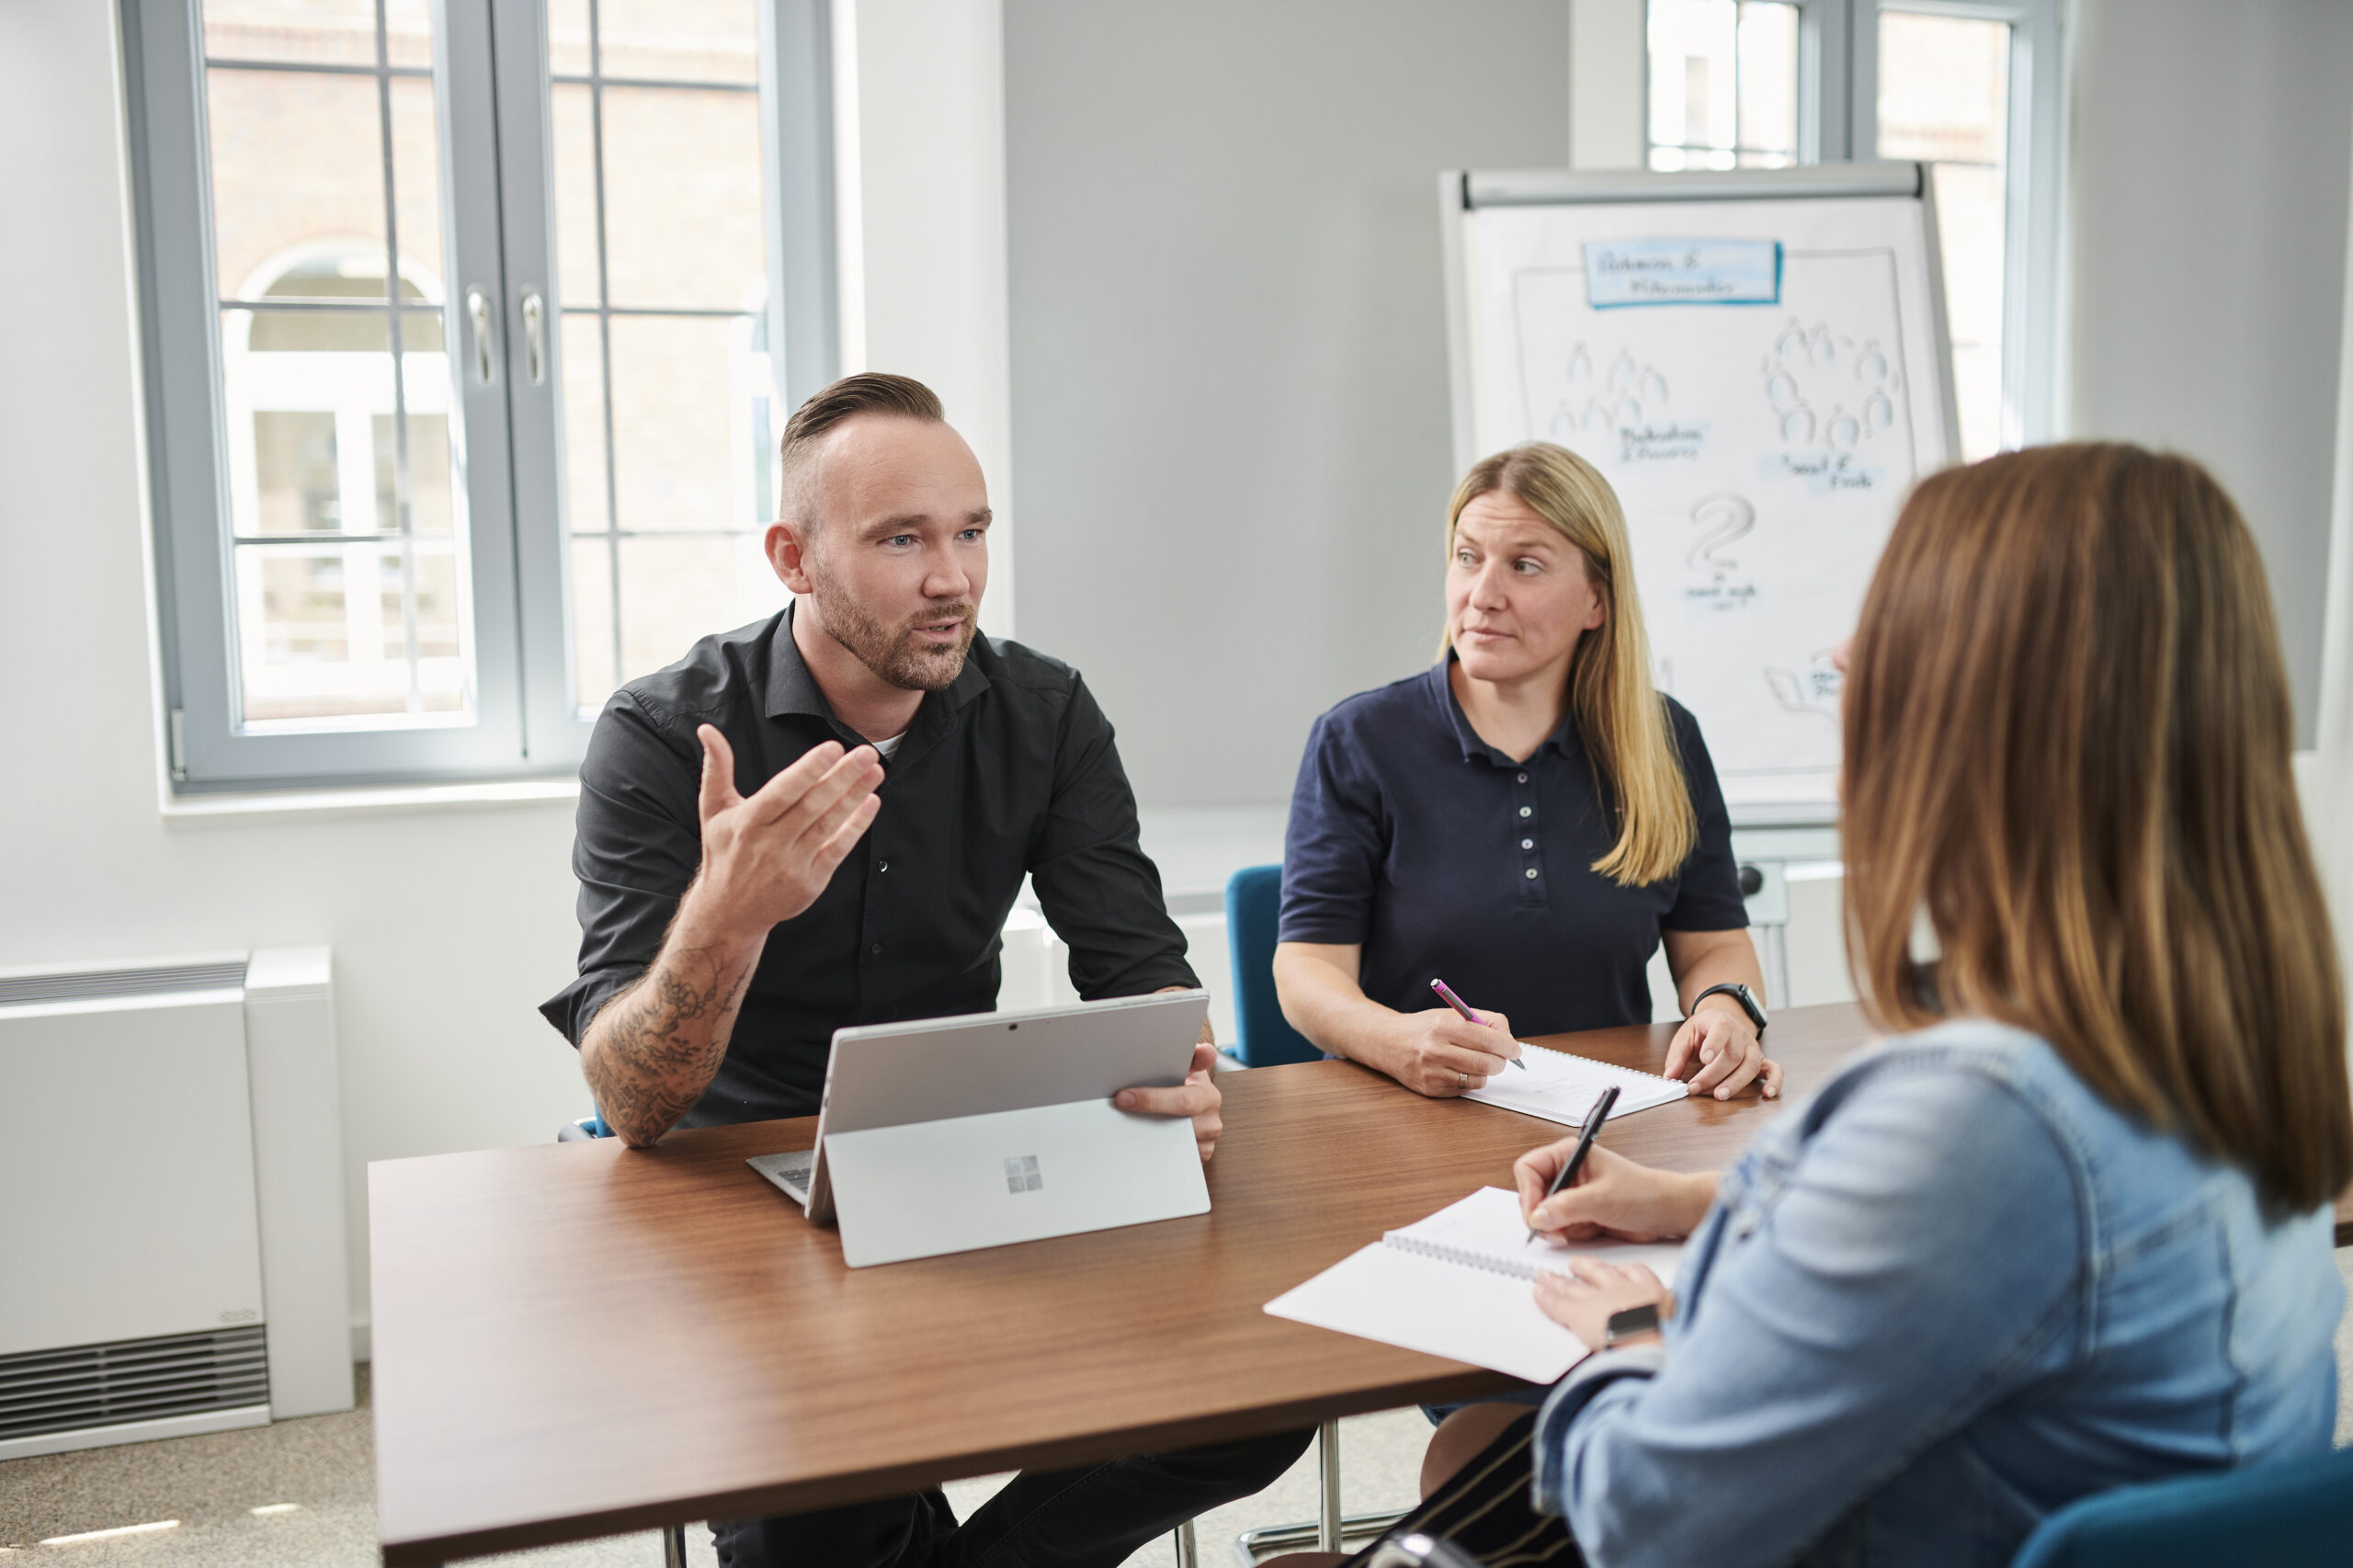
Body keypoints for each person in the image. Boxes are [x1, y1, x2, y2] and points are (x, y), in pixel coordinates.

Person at [1271, 443, 2352, 1568]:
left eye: (1894, 617)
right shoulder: (2216, 1040)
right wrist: (1689, 1199)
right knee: (1478, 1449)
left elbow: (1648, 1512)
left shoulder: (1979, 1120)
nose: (1844, 654)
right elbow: (1942, 1234)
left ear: (2014, 709)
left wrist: (1633, 1334)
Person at [540, 372, 1310, 1568]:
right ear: (794, 558)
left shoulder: (1043, 712)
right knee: (819, 1525)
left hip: (966, 1164)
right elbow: (634, 1102)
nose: (953, 576)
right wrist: (727, 920)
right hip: (741, 1199)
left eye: (970, 532)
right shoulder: (662, 735)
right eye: (902, 539)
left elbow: (1143, 974)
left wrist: (1183, 1067)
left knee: (1256, 1393)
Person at [1274, 442, 1778, 1102]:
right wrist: (1393, 1039)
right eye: (1467, 557)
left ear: (1596, 601)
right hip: (1411, 1110)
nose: (1482, 595)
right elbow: (1307, 968)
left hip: (1609, 1111)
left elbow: (1714, 946)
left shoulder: (1666, 740)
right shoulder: (1358, 739)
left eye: (1525, 566)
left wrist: (1725, 1011)